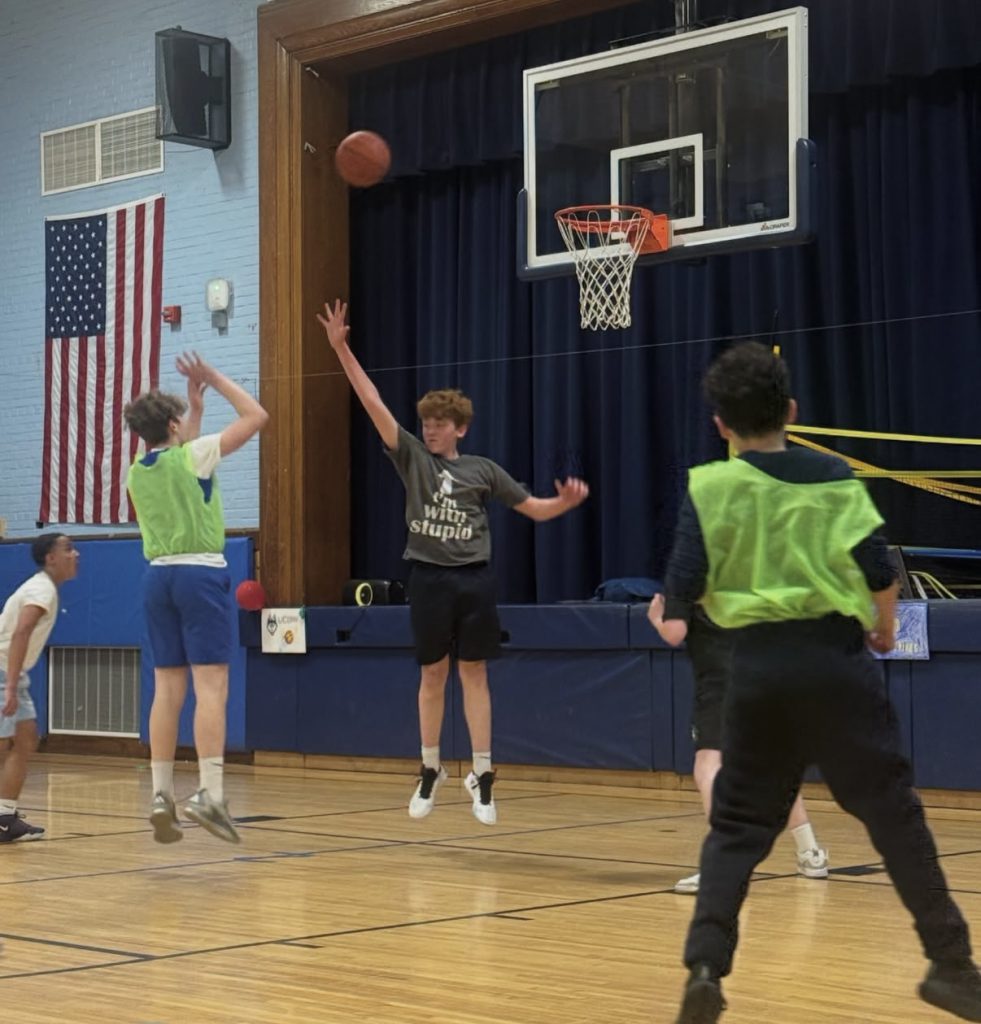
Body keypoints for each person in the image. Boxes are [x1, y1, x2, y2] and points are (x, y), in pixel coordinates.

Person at [648, 341, 981, 1024]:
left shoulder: (709, 487)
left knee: (736, 830)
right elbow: (879, 570)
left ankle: (704, 971)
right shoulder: (831, 475)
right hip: (834, 666)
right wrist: (882, 631)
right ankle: (950, 965)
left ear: (721, 424)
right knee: (893, 817)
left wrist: (685, 613)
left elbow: (682, 588)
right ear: (792, 411)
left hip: (755, 672)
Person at [317, 299, 589, 825]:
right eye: (427, 423)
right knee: (432, 674)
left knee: (475, 673)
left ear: (460, 428)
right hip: (428, 578)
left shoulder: (483, 470)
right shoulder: (412, 458)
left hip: (475, 580)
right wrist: (341, 348)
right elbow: (371, 400)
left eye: (440, 424)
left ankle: (482, 775)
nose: (431, 430)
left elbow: (533, 509)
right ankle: (430, 768)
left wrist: (564, 503)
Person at [124, 352, 268, 845]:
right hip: (199, 574)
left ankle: (160, 794)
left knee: (167, 689)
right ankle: (210, 793)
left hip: (157, 578)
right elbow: (256, 416)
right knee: (212, 687)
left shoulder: (137, 470)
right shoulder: (194, 455)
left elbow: (181, 454)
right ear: (172, 424)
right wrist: (214, 378)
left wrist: (195, 407)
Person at [658, 604, 829, 895]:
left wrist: (658, 617)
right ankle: (811, 853)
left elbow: (673, 632)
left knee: (709, 767)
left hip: (723, 684)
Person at [0, 534, 79, 842]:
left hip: (12, 673)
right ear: (50, 558)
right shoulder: (41, 589)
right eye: (68, 549)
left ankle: (4, 817)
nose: (75, 554)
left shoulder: (44, 587)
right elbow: (21, 632)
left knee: (25, 738)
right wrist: (10, 686)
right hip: (4, 671)